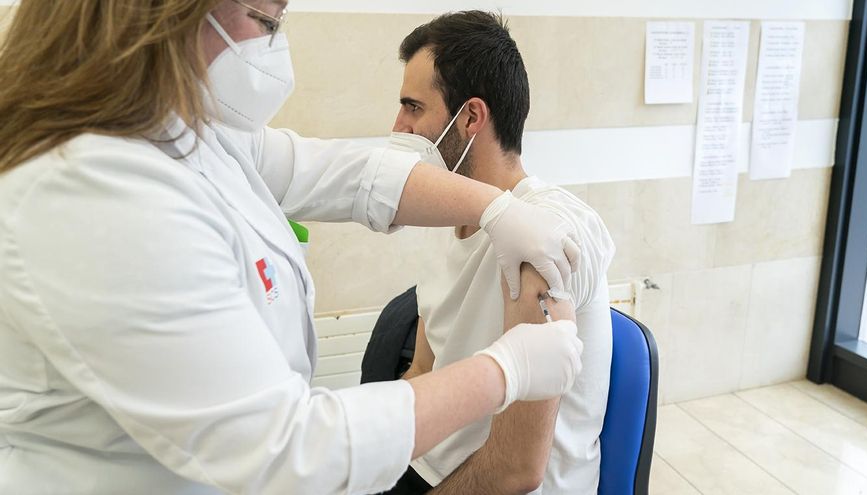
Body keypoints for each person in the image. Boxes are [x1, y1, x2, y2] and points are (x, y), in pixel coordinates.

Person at [0, 2, 588, 494]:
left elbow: (343, 173)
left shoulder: (187, 131)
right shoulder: (90, 189)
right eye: (266, 20)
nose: (274, 46)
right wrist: (506, 370)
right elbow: (287, 449)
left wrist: (494, 209)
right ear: (168, 16)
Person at [385, 11, 616, 494]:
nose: (398, 126)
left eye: (413, 107)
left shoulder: (548, 234)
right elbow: (424, 369)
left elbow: (516, 469)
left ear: (470, 117)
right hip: (433, 466)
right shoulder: (448, 216)